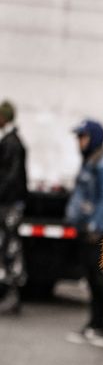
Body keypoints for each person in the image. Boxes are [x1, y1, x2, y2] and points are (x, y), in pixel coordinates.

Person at [65, 119, 103, 347]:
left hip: (99, 233)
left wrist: (96, 226)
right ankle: (95, 325)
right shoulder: (91, 161)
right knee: (91, 279)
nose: (79, 142)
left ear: (94, 137)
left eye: (83, 137)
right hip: (88, 230)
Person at [0, 100, 28, 315]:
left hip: (9, 204)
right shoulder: (12, 141)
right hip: (10, 203)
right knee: (8, 247)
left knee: (10, 248)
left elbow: (10, 177)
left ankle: (12, 296)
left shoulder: (11, 143)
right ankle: (11, 296)